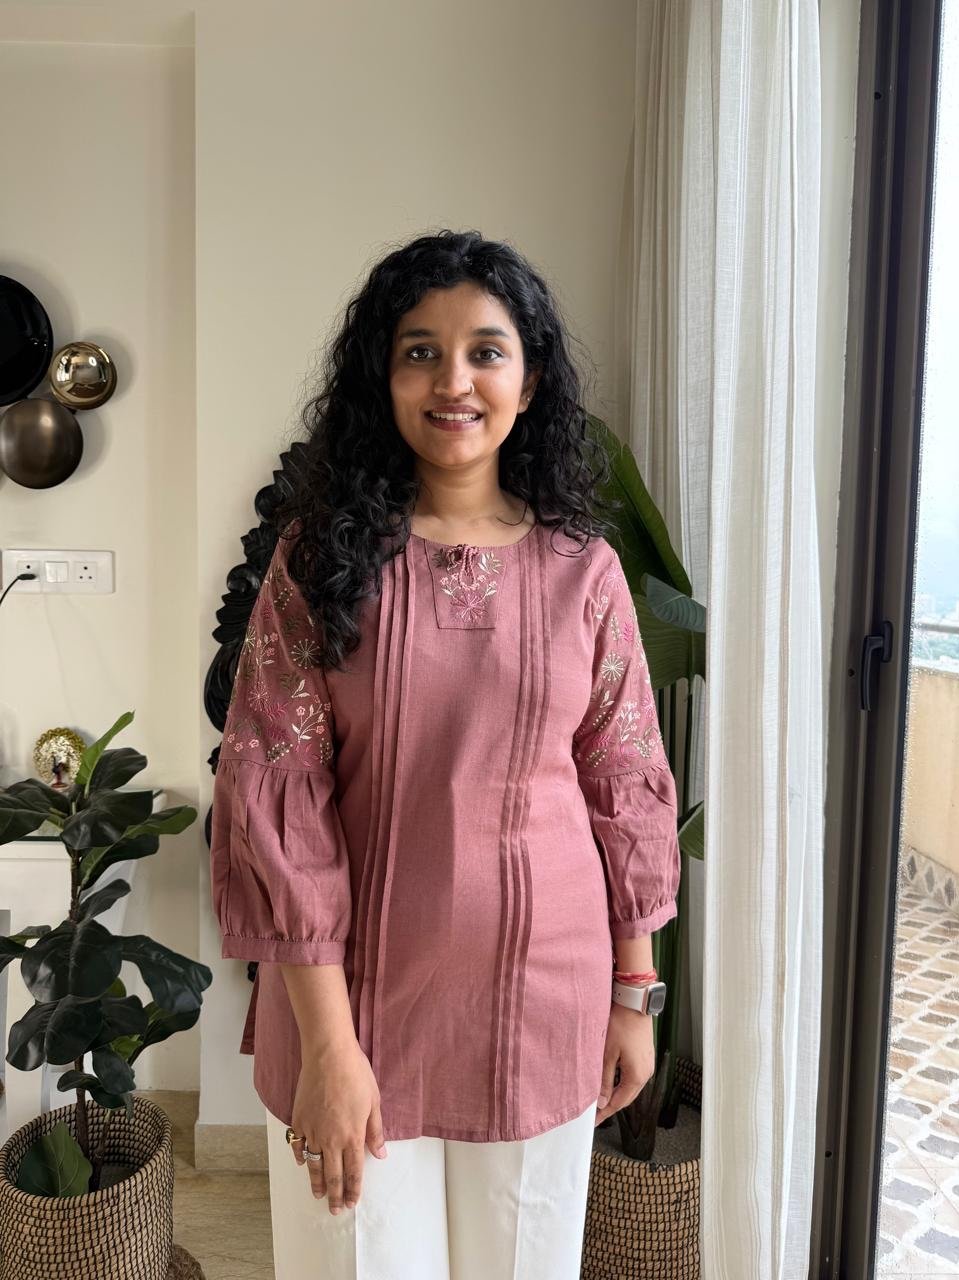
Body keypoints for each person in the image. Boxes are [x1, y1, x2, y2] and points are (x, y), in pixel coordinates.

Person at [209, 228, 682, 1279]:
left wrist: (634, 992)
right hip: (352, 1013)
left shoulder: (587, 572)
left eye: (485, 351)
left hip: (544, 1006)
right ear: (381, 379)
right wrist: (329, 1047)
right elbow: (278, 798)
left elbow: (623, 783)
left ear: (530, 379)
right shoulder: (318, 563)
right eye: (419, 351)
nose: (453, 379)